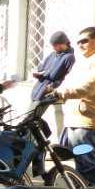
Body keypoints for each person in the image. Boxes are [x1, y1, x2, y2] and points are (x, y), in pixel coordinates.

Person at [49, 26, 95, 187]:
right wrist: (56, 91)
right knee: (81, 162)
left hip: (88, 119)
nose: (80, 44)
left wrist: (61, 93)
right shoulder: (83, 59)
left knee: (89, 163)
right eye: (78, 42)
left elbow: (90, 86)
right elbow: (68, 81)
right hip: (75, 118)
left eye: (85, 41)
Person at [29, 31, 76, 177]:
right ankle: (37, 153)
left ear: (65, 43)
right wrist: (39, 73)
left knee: (35, 123)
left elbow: (68, 77)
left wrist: (54, 87)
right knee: (32, 122)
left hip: (51, 95)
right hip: (39, 91)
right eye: (54, 45)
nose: (55, 48)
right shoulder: (52, 55)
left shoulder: (69, 57)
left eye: (57, 45)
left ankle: (47, 153)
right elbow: (42, 68)